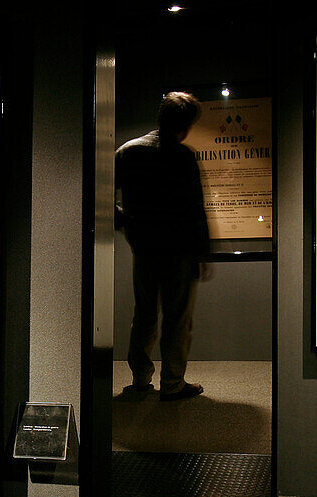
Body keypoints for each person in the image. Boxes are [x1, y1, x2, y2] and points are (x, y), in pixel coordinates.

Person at [115, 91, 212, 401]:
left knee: (144, 314)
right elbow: (196, 209)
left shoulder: (129, 152)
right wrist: (202, 252)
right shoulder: (182, 156)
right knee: (177, 318)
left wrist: (124, 220)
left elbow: (100, 194)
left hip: (143, 246)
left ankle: (141, 379)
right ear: (184, 125)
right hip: (179, 250)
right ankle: (172, 383)